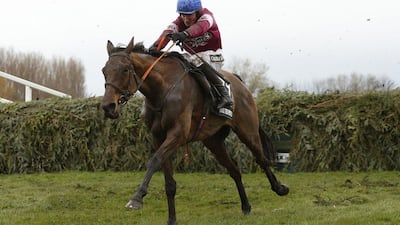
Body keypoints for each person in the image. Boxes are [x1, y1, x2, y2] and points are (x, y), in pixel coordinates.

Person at [149, 0, 233, 112]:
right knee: (177, 58)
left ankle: (224, 95)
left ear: (197, 12)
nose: (186, 19)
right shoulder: (178, 22)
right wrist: (155, 47)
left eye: (189, 15)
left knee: (195, 60)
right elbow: (167, 33)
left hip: (213, 54)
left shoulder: (207, 17)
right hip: (194, 56)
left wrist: (185, 34)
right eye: (183, 15)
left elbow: (200, 27)